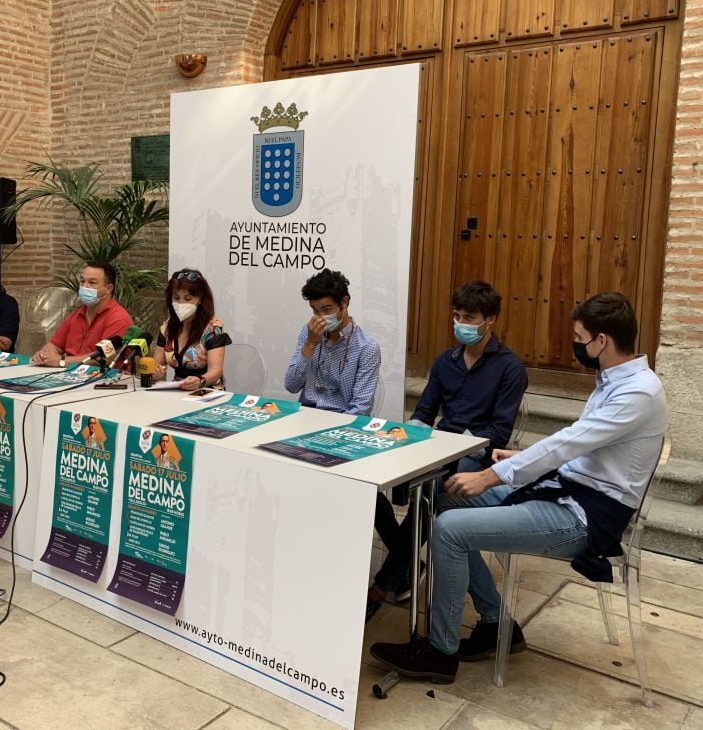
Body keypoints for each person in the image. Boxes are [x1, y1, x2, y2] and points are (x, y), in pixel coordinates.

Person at [370, 292, 668, 685]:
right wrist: (521, 457)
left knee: (450, 529)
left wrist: (492, 475)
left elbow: (570, 443)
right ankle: (495, 622)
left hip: (584, 517)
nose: (575, 345)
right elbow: (583, 447)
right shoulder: (615, 380)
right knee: (443, 501)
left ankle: (440, 654)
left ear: (603, 342)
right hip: (568, 491)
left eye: (579, 339)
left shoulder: (638, 393)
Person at [367, 281, 527, 620]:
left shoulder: (510, 368)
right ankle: (405, 573)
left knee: (428, 494)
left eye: (469, 317)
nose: (461, 324)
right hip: (439, 451)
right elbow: (425, 413)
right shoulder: (445, 362)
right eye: (457, 316)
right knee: (379, 482)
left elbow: (499, 433)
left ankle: (383, 585)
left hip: (477, 458)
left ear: (490, 320)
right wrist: (414, 437)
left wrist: (452, 444)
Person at [284, 269, 380, 416]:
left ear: (344, 302)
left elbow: (361, 408)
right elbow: (291, 386)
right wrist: (310, 345)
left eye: (326, 309)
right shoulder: (309, 332)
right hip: (305, 415)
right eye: (315, 310)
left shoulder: (366, 347)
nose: (320, 317)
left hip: (342, 420)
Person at [31, 261, 133, 366]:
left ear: (108, 289)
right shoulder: (76, 315)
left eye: (92, 283)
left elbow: (106, 358)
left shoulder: (118, 318)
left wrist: (61, 361)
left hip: (104, 378)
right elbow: (55, 345)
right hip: (70, 375)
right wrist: (44, 355)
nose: (85, 286)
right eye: (82, 281)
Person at [153, 269, 231, 391]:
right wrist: (156, 371)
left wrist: (200, 381)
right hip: (177, 391)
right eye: (176, 298)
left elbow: (216, 371)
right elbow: (157, 364)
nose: (181, 303)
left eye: (188, 298)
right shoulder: (167, 327)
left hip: (208, 391)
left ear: (200, 298)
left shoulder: (213, 328)